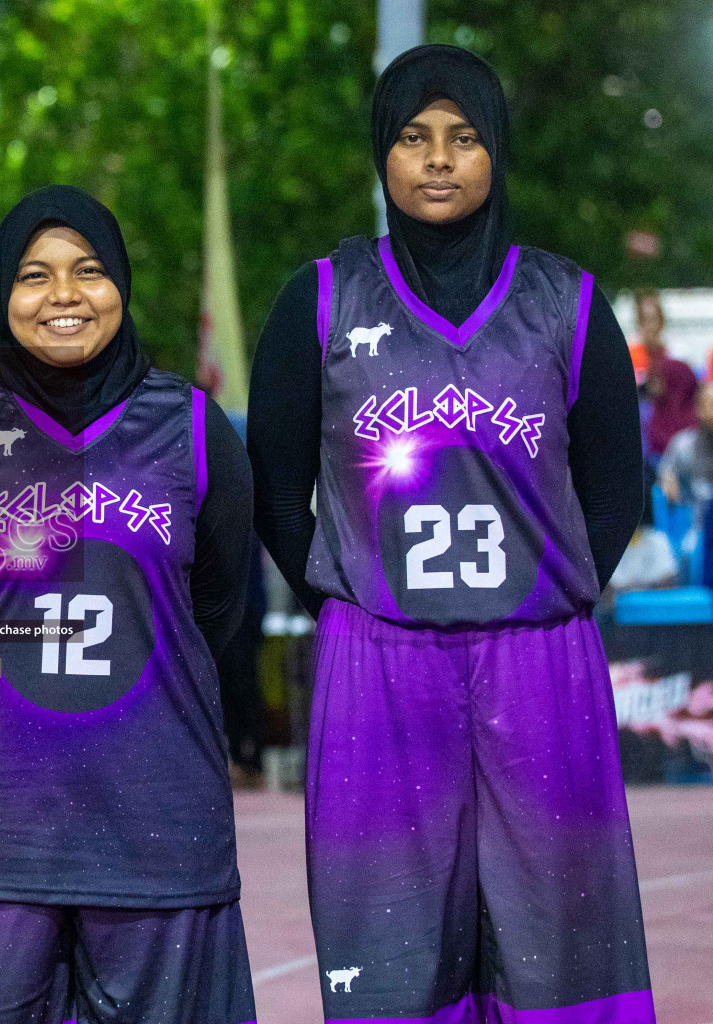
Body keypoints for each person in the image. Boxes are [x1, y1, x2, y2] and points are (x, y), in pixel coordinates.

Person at [248, 44, 652, 1023]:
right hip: (378, 664)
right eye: (414, 137)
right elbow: (274, 485)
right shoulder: (323, 299)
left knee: (561, 951)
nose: (438, 159)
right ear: (382, 154)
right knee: (391, 952)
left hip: (538, 661)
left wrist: (549, 597)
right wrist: (351, 606)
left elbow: (613, 484)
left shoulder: (568, 302)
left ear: (495, 153)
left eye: (464, 137)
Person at [0, 186, 257, 1024]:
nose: (62, 295)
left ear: (120, 285)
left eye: (88, 270)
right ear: (1, 293)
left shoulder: (193, 427)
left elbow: (216, 611)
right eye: (34, 275)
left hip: (156, 827)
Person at [636, 289, 697, 459]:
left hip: (673, 436)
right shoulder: (630, 354)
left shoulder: (677, 352)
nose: (649, 326)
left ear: (661, 321)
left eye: (653, 319)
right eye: (643, 320)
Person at [658, 380, 713, 510]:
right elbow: (666, 472)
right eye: (710, 405)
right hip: (692, 523)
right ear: (699, 408)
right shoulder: (683, 445)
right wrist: (667, 480)